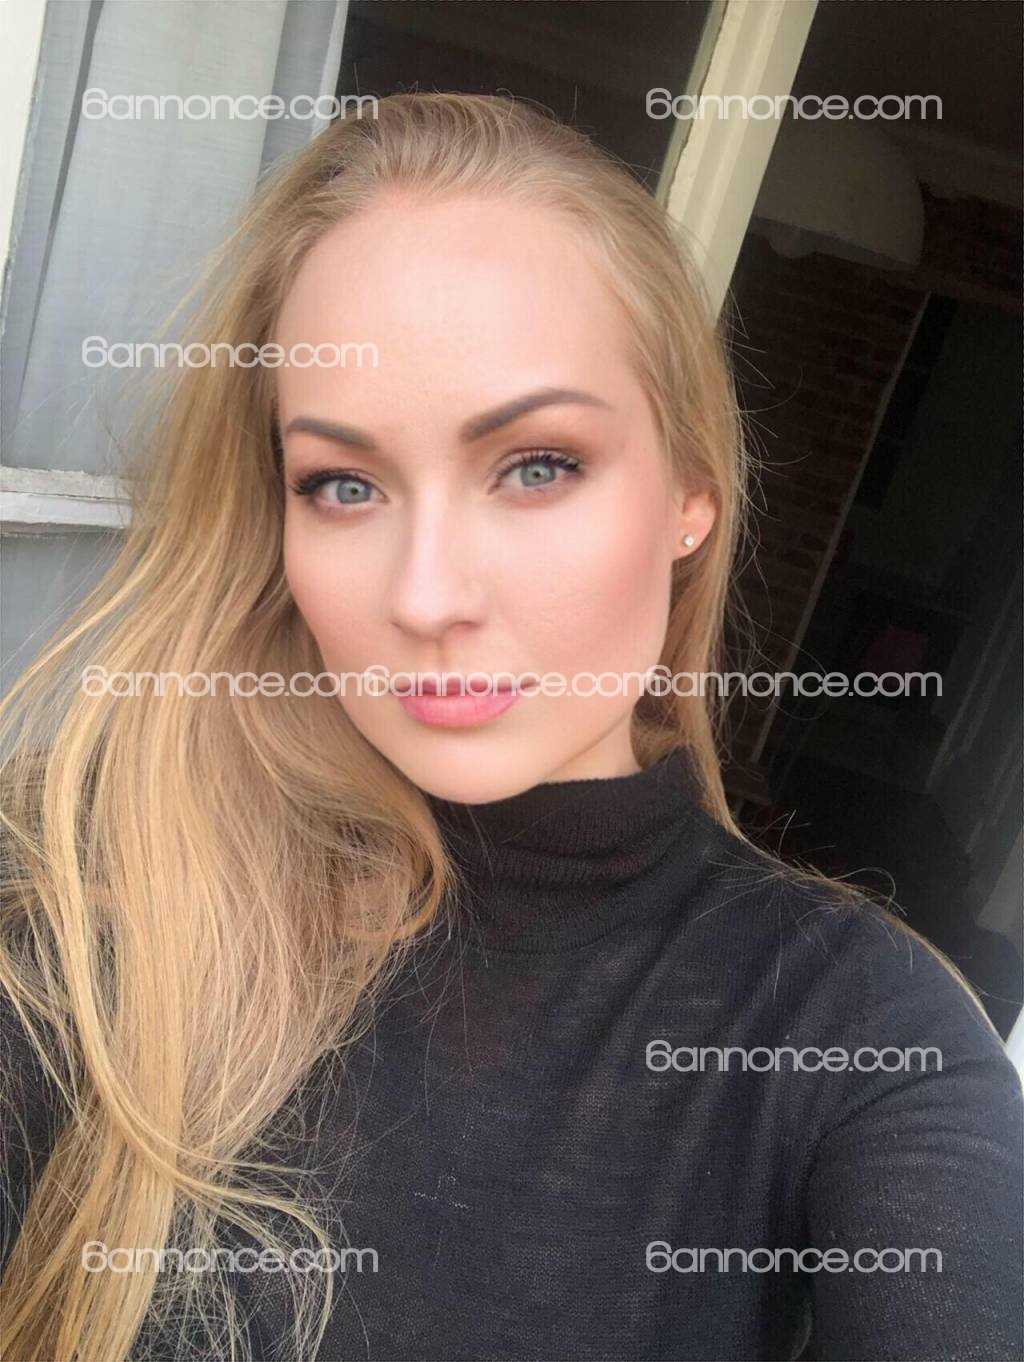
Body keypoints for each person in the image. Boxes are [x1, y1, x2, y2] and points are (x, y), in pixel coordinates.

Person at [1, 93, 1020, 1362]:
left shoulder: (863, 1037)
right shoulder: (80, 886)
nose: (427, 596)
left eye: (536, 466)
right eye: (343, 484)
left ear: (689, 493)